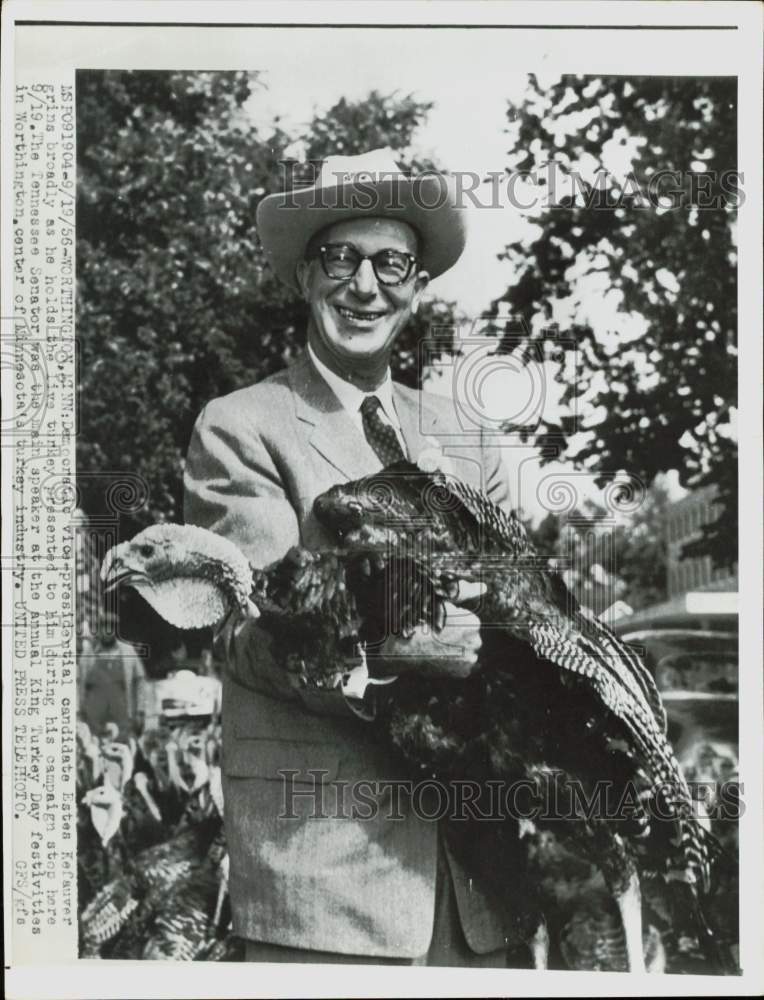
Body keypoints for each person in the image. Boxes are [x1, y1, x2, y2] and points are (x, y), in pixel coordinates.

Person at [183, 148, 513, 965]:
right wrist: (391, 655)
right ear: (304, 278)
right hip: (323, 885)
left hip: (478, 888)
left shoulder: (468, 439)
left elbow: (519, 616)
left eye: (391, 261)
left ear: (418, 286)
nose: (364, 286)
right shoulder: (241, 427)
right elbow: (248, 634)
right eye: (341, 257)